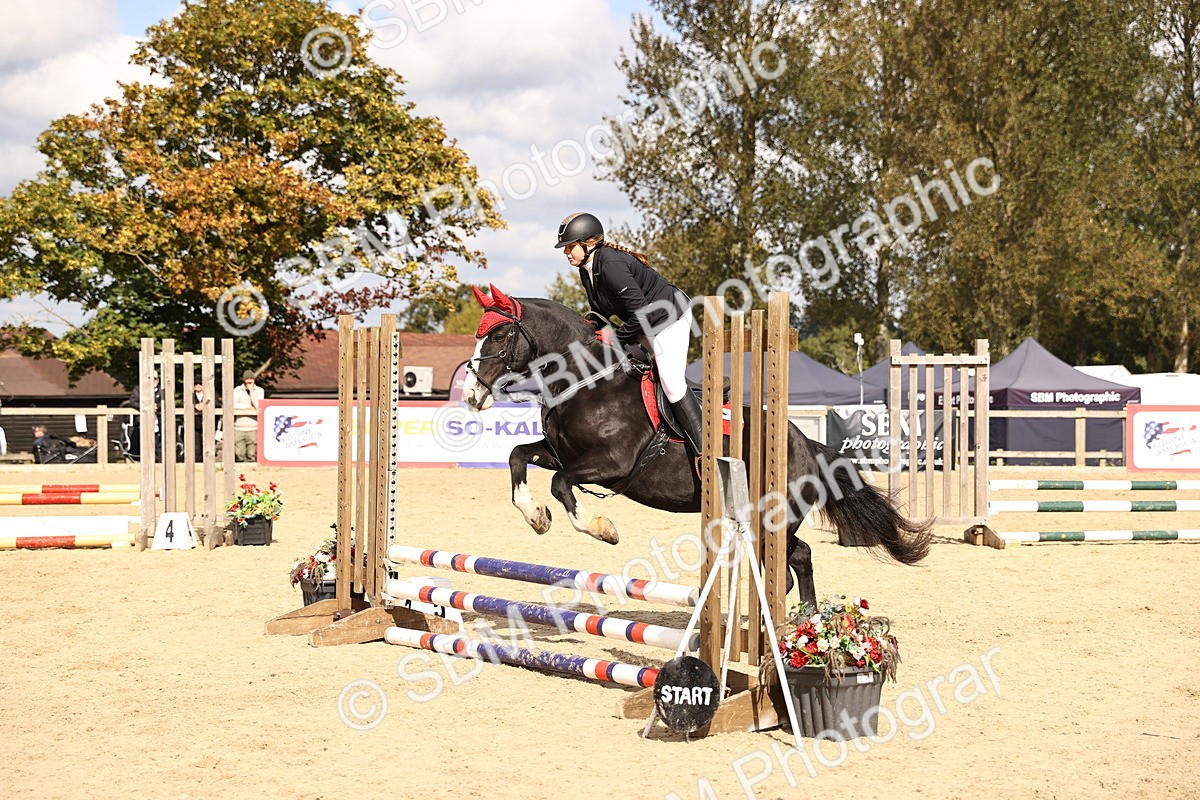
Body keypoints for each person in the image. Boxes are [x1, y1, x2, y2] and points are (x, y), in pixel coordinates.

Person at [555, 211, 704, 460]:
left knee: (671, 382)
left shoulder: (611, 264)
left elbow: (643, 313)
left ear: (589, 243)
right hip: (646, 323)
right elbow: (601, 309)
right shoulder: (587, 269)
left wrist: (617, 338)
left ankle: (704, 450)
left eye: (570, 246)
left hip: (669, 318)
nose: (566, 252)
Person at [232, 370, 265, 462]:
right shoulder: (237, 390)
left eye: (251, 379)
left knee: (252, 454)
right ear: (244, 380)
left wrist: (251, 391)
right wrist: (247, 407)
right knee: (239, 453)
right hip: (239, 427)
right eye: (247, 379)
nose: (249, 381)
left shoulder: (259, 390)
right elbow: (233, 405)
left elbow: (258, 405)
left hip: (253, 427)